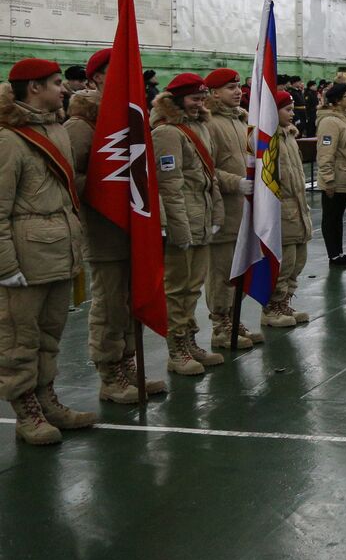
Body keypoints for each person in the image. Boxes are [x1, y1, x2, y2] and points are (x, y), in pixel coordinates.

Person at [0, 58, 93, 445]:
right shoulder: (8, 139)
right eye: (56, 82)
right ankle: (27, 412)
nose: (63, 88)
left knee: (50, 334)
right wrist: (5, 266)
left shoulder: (55, 129)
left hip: (59, 247)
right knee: (19, 337)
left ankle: (47, 398)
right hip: (25, 252)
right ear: (33, 88)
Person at [66, 50, 166, 403]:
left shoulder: (134, 120)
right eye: (114, 73)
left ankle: (128, 367)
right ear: (95, 79)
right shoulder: (81, 126)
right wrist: (107, 188)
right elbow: (69, 178)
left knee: (129, 300)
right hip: (104, 227)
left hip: (134, 227)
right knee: (109, 305)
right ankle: (110, 375)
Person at [152, 73, 225, 376]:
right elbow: (168, 185)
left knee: (193, 288)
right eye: (194, 98)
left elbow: (210, 176)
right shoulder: (167, 133)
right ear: (177, 99)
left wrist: (217, 213)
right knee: (177, 289)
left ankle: (190, 340)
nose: (199, 103)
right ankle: (176, 349)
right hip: (183, 219)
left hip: (202, 216)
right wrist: (176, 230)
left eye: (202, 97)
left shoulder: (200, 127)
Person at [203, 67, 260, 350]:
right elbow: (205, 168)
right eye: (229, 87)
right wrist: (234, 182)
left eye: (238, 86)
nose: (237, 91)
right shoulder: (210, 124)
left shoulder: (242, 122)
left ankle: (234, 317)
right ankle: (220, 324)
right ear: (213, 93)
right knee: (221, 271)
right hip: (223, 209)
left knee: (240, 268)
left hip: (245, 209)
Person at [265, 91, 312, 326]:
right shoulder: (268, 139)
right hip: (282, 208)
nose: (293, 114)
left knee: (298, 260)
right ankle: (272, 306)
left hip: (298, 205)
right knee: (284, 261)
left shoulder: (290, 137)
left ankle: (285, 302)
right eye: (288, 109)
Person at [315, 82, 346, 266]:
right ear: (338, 101)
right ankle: (333, 255)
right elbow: (326, 154)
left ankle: (339, 252)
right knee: (331, 217)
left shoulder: (345, 118)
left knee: (338, 217)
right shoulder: (330, 122)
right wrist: (328, 179)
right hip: (336, 177)